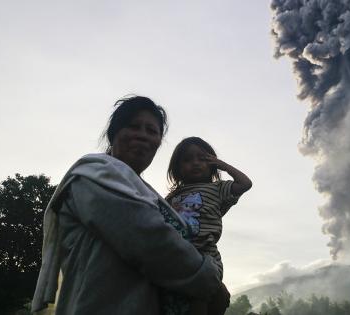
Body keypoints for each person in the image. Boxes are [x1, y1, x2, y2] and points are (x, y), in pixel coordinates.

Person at [32, 96, 223, 315]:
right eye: (134, 126)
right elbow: (150, 241)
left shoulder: (146, 192)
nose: (143, 135)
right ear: (114, 133)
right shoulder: (93, 176)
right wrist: (208, 277)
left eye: (152, 131)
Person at [166, 137, 252, 315]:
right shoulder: (171, 197)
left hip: (206, 256)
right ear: (177, 169)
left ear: (212, 164)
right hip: (179, 256)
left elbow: (245, 184)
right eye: (187, 160)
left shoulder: (217, 189)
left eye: (202, 159)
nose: (195, 163)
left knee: (200, 296)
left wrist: (222, 165)